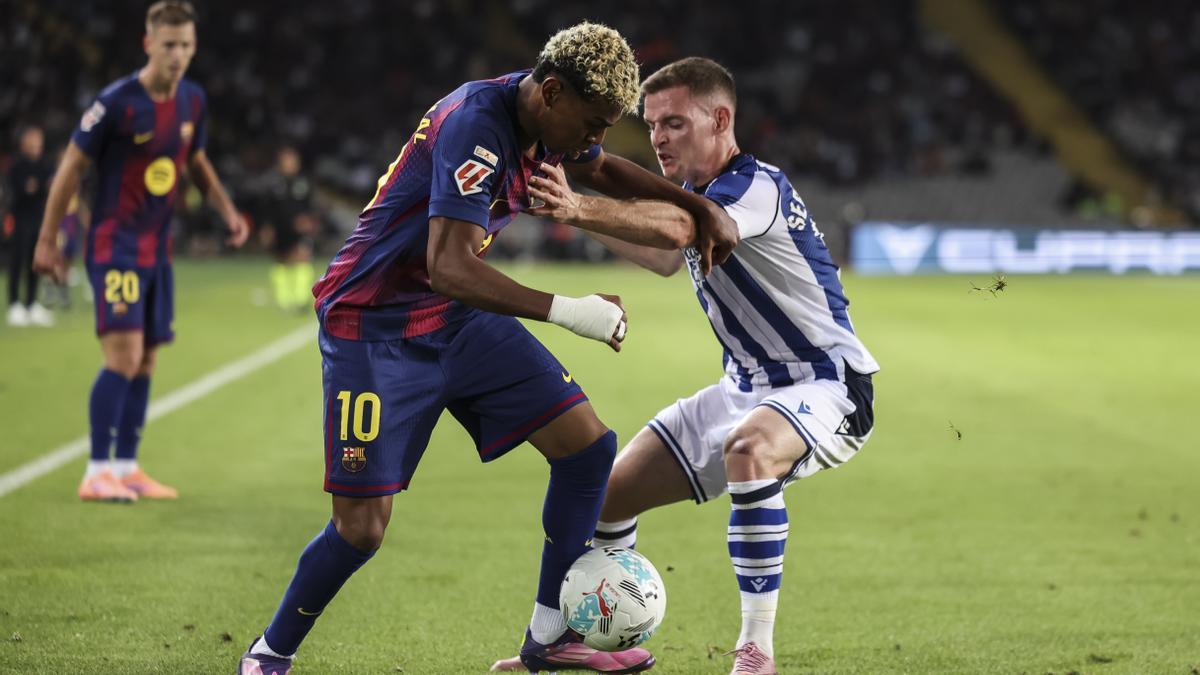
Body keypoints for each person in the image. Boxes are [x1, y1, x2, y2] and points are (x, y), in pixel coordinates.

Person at [238, 22, 738, 675]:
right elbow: (446, 264)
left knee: (587, 448)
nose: (592, 140)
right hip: (376, 327)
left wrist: (699, 209)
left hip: (455, 316)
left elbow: (606, 169)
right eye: (590, 123)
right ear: (553, 92)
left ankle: (550, 638)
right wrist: (569, 311)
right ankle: (270, 653)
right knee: (361, 529)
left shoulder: (547, 121)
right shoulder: (476, 125)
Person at [502, 57, 879, 675]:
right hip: (746, 386)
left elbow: (683, 231)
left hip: (826, 382)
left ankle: (756, 651)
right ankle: (610, 646)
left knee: (749, 449)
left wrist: (579, 209)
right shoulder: (697, 197)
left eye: (674, 123)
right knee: (609, 496)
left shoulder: (755, 186)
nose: (657, 138)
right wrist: (561, 209)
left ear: (720, 119)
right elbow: (662, 256)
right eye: (652, 125)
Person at [33, 0, 249, 503]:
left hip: (157, 250)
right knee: (124, 357)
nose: (178, 54)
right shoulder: (115, 103)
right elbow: (69, 169)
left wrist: (228, 211)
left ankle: (127, 467)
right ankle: (95, 471)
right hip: (116, 246)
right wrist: (47, 239)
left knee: (148, 359)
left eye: (186, 45)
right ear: (148, 43)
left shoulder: (193, 101)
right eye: (169, 44)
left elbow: (195, 161)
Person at [6, 125, 55, 327]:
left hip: (39, 219)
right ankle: (14, 304)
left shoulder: (45, 164)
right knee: (17, 261)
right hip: (20, 218)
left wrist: (36, 188)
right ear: (24, 143)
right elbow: (18, 191)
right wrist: (34, 188)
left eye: (39, 142)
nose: (37, 146)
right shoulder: (16, 166)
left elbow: (48, 187)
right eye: (33, 142)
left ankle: (32, 303)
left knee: (36, 261)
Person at [261, 145, 318, 311]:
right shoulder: (273, 184)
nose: (290, 164)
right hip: (280, 229)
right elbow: (267, 209)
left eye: (293, 161)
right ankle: (284, 299)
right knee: (282, 260)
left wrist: (309, 221)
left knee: (303, 257)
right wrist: (267, 228)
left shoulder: (304, 183)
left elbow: (311, 206)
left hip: (300, 230)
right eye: (286, 161)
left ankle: (301, 299)